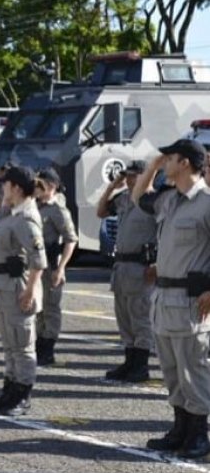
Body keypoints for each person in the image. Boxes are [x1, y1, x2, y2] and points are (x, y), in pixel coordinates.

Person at [132, 138, 210, 458]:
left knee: (195, 369)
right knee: (172, 371)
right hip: (164, 299)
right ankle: (180, 429)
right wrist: (151, 167)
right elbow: (139, 197)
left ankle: (199, 434)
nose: (165, 162)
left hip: (191, 301)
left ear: (186, 163)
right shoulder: (170, 200)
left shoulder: (207, 202)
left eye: (170, 158)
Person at [0, 165, 47, 416]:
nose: (3, 189)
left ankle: (22, 395)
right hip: (4, 287)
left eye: (6, 185)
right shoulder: (12, 214)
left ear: (17, 188)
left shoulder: (26, 218)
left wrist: (30, 291)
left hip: (18, 287)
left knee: (22, 345)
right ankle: (9, 391)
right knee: (10, 344)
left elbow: (38, 259)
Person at [96, 160, 157, 382]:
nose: (129, 180)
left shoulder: (153, 201)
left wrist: (158, 263)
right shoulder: (123, 198)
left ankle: (140, 366)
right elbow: (101, 211)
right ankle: (129, 361)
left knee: (140, 318)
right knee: (124, 319)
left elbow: (165, 231)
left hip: (142, 267)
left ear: (144, 176)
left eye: (133, 176)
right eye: (127, 176)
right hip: (121, 266)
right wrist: (112, 187)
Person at [34, 168, 77, 366]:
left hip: (51, 265)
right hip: (36, 266)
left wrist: (60, 268)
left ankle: (47, 348)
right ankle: (39, 344)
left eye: (41, 185)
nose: (36, 188)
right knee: (38, 309)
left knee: (51, 309)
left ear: (52, 187)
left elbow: (70, 240)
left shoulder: (57, 209)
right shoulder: (34, 206)